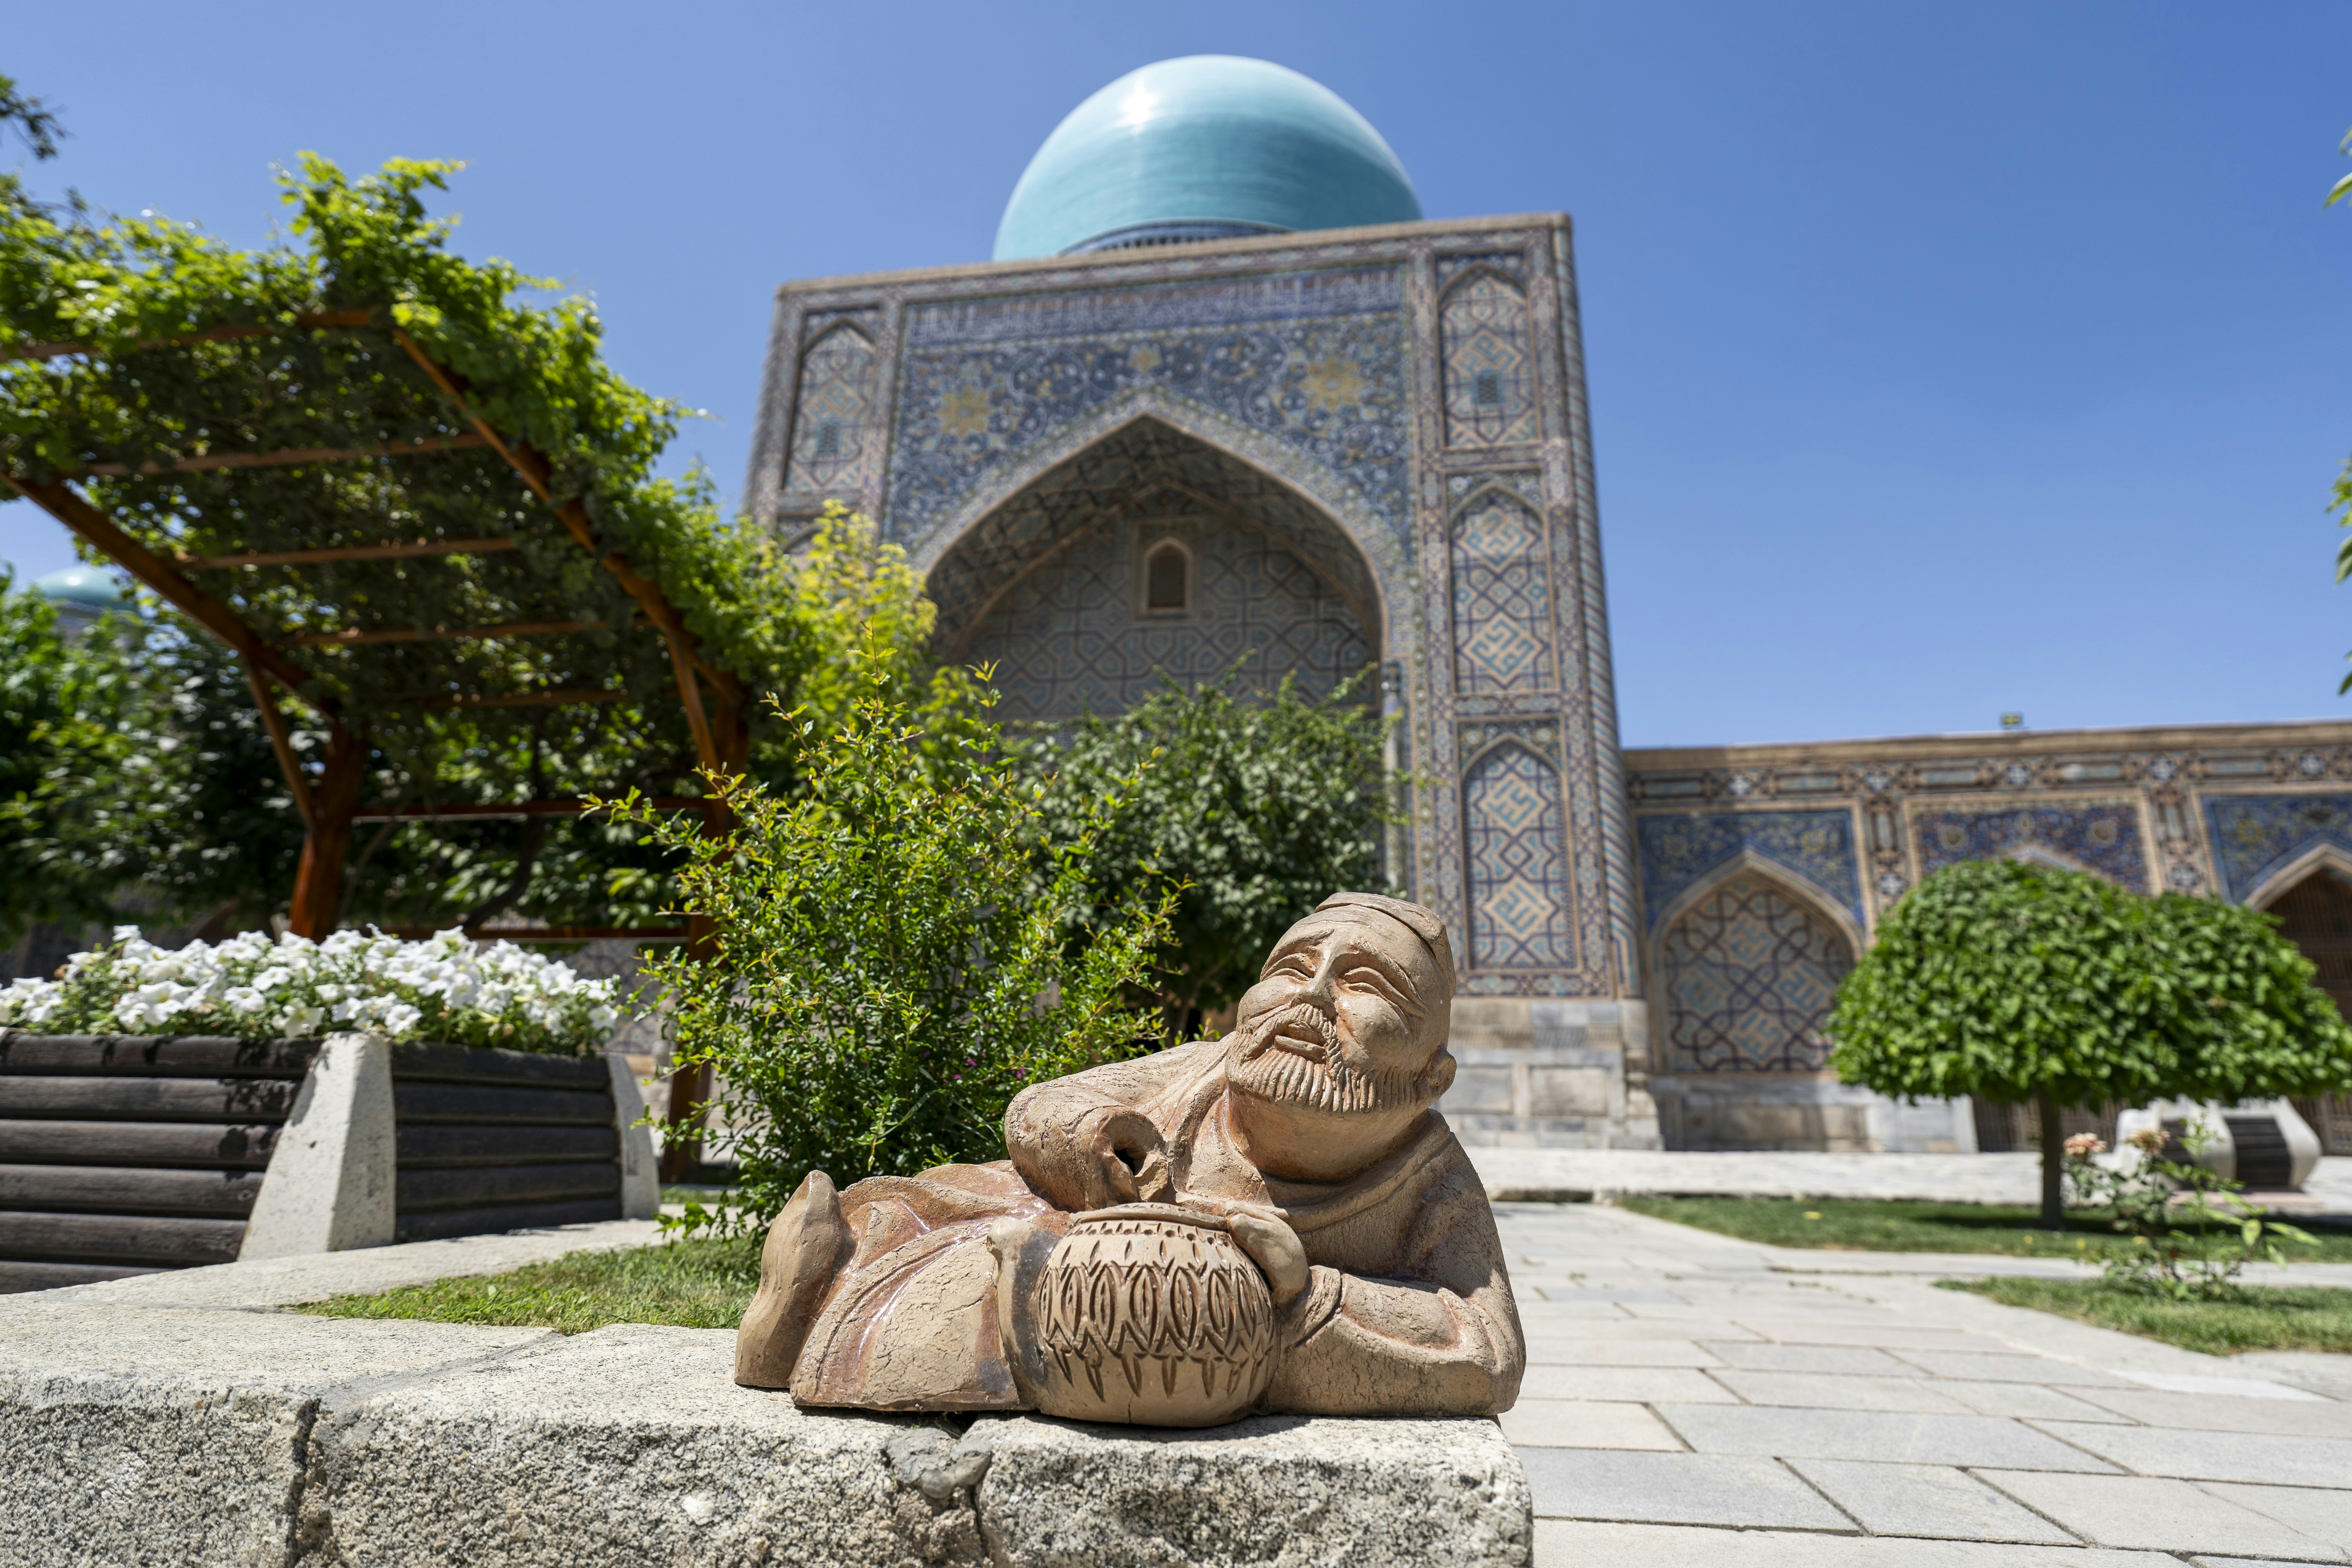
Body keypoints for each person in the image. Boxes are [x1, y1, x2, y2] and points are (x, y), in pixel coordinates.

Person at [734, 892, 1524, 1419]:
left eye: (1365, 983)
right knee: (926, 1228)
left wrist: (1307, 1287)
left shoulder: (1432, 1180)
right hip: (1065, 1223)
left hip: (1224, 1324)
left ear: (1431, 1077)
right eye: (1289, 967)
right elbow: (1040, 1105)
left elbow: (1487, 1351)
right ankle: (811, 1295)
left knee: (1107, 1316)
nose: (1309, 994)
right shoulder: (1201, 1068)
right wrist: (1096, 1144)